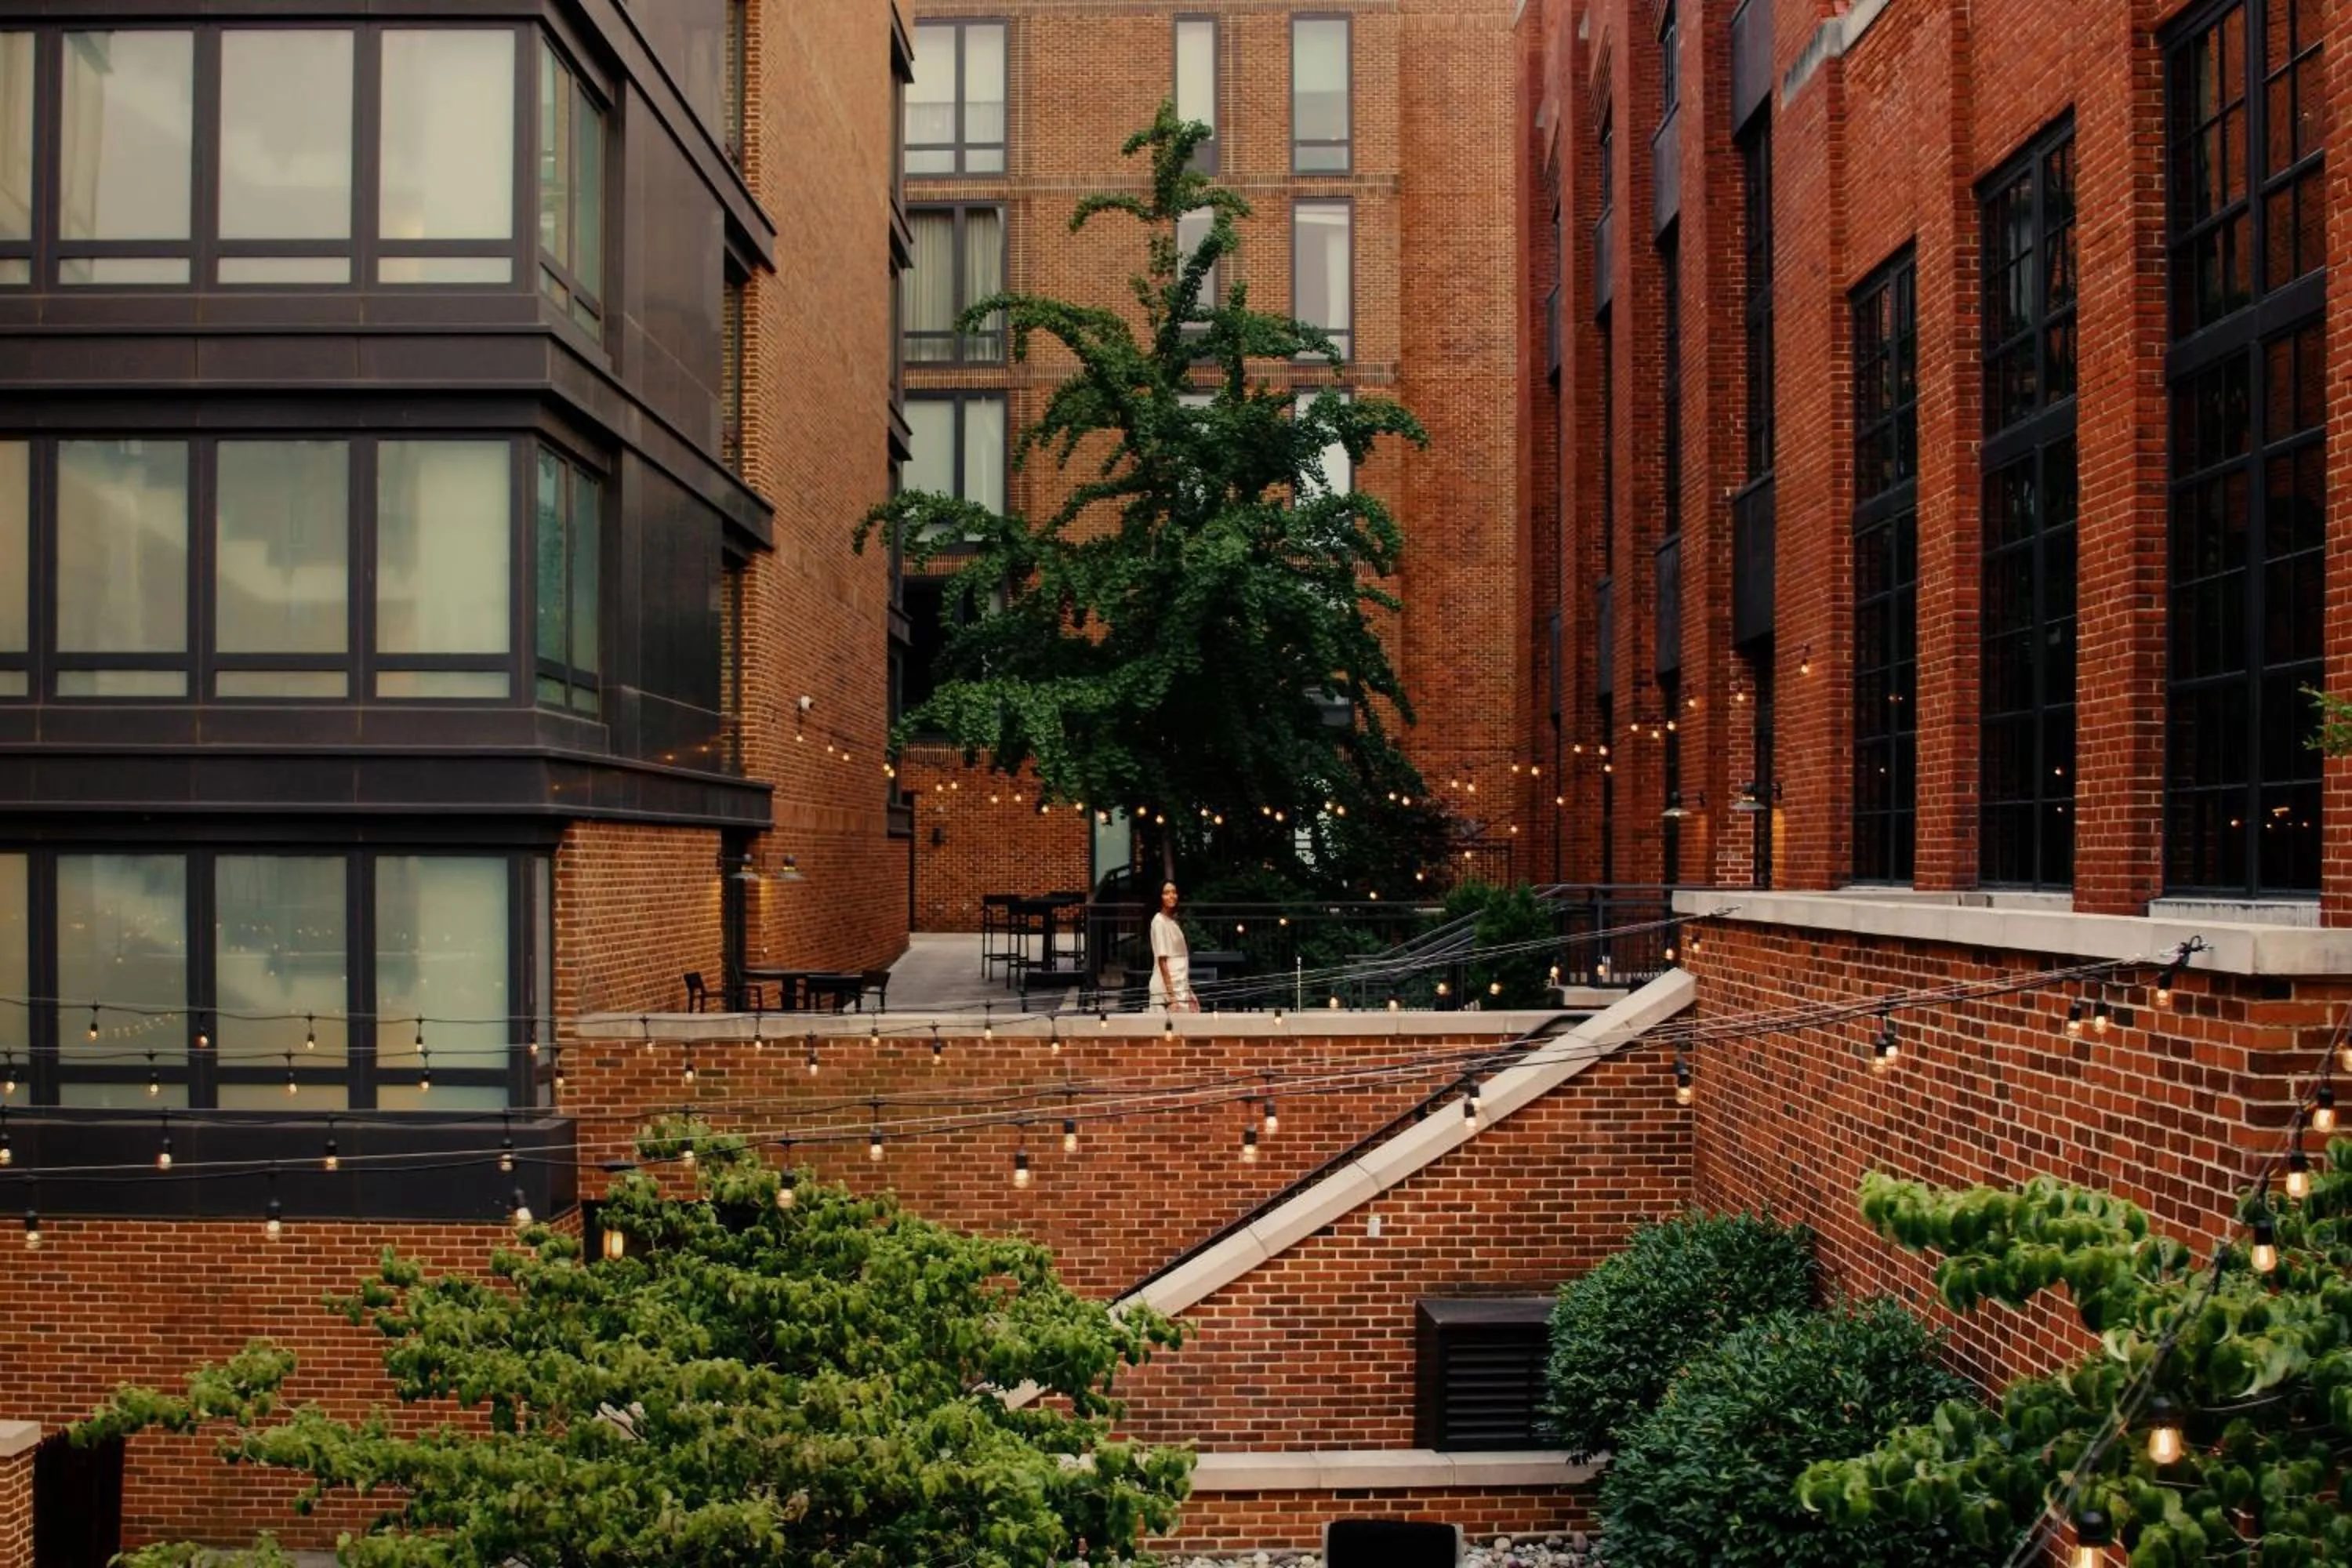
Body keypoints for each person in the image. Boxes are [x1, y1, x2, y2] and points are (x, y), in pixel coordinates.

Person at [1149, 880, 1196, 1012]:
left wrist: (1189, 991)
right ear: (1160, 897)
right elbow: (1162, 960)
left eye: (1174, 892)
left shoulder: (1172, 921)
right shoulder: (1159, 921)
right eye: (1166, 893)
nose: (1171, 896)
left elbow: (1181, 962)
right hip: (1167, 991)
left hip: (1180, 986)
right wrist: (1171, 997)